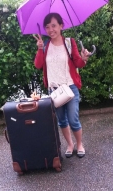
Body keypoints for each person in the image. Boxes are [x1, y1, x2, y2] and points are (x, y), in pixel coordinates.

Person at [33, 12, 91, 158]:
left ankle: (79, 144)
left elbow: (78, 62)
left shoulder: (69, 42)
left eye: (54, 25)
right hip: (54, 90)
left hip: (70, 87)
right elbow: (38, 65)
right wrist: (40, 49)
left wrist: (84, 59)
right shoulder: (45, 45)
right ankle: (70, 145)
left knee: (73, 119)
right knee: (62, 121)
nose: (50, 29)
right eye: (47, 27)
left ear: (61, 25)